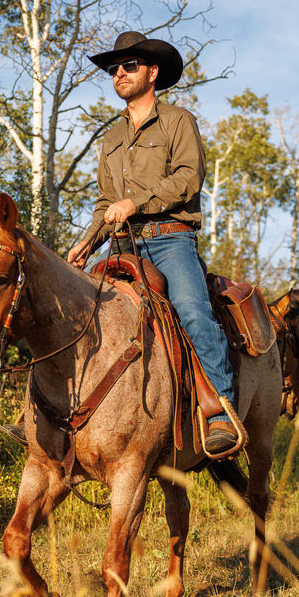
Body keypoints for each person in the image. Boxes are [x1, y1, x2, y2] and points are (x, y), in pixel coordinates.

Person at [67, 31, 238, 454]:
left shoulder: (179, 120)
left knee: (195, 314)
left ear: (152, 72)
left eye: (129, 66)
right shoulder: (110, 137)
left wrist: (135, 202)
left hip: (170, 240)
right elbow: (106, 202)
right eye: (113, 69)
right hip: (122, 244)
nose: (119, 74)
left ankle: (221, 414)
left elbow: (187, 178)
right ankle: (58, 421)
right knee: (77, 316)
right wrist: (88, 242)